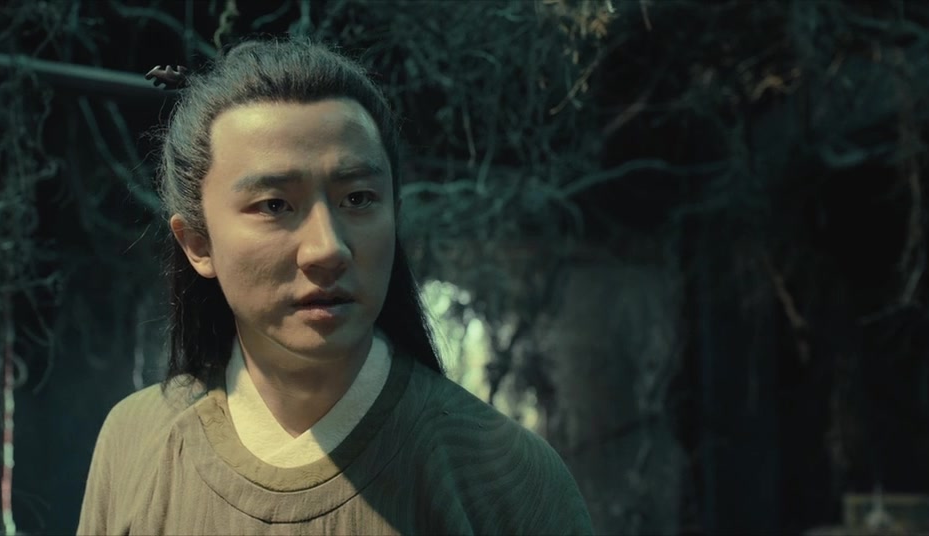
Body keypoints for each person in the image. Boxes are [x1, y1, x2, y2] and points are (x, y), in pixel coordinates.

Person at [78, 37, 593, 535]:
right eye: (275, 205)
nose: (328, 248)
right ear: (198, 244)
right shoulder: (136, 443)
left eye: (358, 198)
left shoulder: (507, 477)